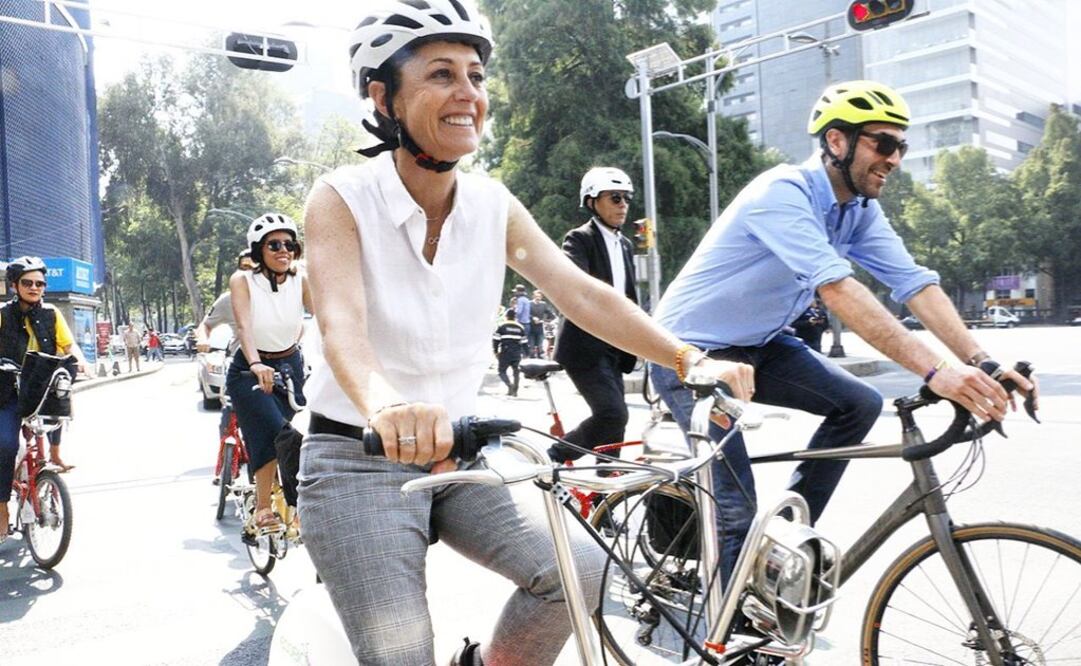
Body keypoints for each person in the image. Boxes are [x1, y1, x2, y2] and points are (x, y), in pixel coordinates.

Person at [297, 3, 753, 664]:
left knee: (582, 571)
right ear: (383, 96)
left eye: (476, 77)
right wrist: (385, 406)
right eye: (441, 74)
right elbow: (341, 325)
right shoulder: (340, 197)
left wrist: (687, 359)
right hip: (354, 458)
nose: (468, 94)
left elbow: (578, 293)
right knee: (400, 654)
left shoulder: (491, 203)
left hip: (459, 452)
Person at [650, 79, 1038, 586]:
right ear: (838, 141)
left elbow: (914, 283)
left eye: (901, 146)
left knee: (859, 403)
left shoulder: (858, 210)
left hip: (762, 345)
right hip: (689, 355)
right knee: (735, 508)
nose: (895, 158)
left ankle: (779, 549)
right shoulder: (781, 192)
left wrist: (981, 361)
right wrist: (936, 370)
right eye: (883, 143)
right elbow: (836, 289)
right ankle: (730, 633)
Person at [226, 214, 311, 534]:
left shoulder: (300, 278)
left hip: (291, 365)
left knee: (299, 435)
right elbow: (244, 326)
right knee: (277, 434)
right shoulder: (242, 280)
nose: (283, 250)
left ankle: (297, 504)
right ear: (259, 250)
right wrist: (256, 363)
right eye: (274, 245)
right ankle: (266, 508)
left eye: (290, 244)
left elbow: (326, 314)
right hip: (250, 371)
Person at [548, 167, 638, 464]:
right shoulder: (579, 239)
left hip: (615, 347)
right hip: (585, 347)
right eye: (615, 198)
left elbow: (629, 297)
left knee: (617, 423)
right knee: (612, 413)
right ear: (592, 201)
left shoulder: (624, 244)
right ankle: (555, 454)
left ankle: (605, 497)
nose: (623, 204)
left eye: (626, 198)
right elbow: (576, 288)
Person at [0, 256, 90, 540]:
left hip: (40, 384)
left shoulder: (51, 313)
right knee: (5, 444)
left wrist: (81, 361)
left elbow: (68, 344)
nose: (35, 287)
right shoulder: (3, 313)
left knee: (60, 394)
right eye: (28, 282)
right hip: (8, 388)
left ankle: (54, 455)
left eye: (40, 283)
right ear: (14, 286)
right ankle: (2, 506)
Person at [492, 308, 526, 396]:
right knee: (516, 372)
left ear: (506, 316)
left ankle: (509, 385)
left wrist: (495, 351)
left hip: (505, 352)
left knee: (501, 371)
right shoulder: (520, 327)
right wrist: (526, 354)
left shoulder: (502, 326)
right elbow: (525, 342)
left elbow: (495, 340)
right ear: (515, 317)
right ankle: (515, 390)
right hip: (517, 352)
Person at [527, 289, 554, 358]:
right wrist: (532, 318)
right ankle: (531, 356)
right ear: (533, 296)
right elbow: (526, 314)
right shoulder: (529, 303)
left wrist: (543, 320)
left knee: (540, 344)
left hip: (540, 327)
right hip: (531, 326)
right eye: (536, 296)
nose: (538, 298)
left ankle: (540, 355)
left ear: (541, 297)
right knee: (531, 345)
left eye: (539, 296)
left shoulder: (543, 304)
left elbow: (551, 315)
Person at [511, 283, 531, 352]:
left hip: (521, 323)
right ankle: (524, 354)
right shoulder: (527, 300)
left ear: (519, 292)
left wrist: (514, 309)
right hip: (527, 323)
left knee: (517, 340)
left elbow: (519, 312)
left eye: (516, 291)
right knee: (524, 340)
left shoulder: (520, 300)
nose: (515, 293)